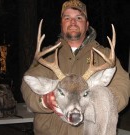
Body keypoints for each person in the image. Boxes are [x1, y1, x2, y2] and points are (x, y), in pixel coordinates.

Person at [21, 0, 130, 135]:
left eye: (79, 17)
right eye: (67, 18)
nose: (73, 22)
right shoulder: (46, 56)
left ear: (87, 24)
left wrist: (94, 104)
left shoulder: (106, 56)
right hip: (50, 131)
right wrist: (44, 101)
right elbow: (28, 85)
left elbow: (122, 87)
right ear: (61, 24)